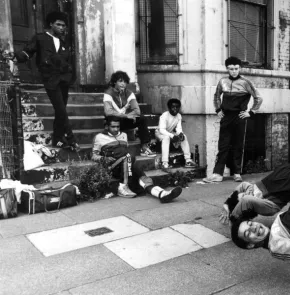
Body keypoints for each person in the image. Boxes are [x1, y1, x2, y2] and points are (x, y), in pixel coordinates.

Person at [3, 11, 79, 151]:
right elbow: (28, 52)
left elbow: (67, 62)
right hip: (50, 80)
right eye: (58, 24)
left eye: (63, 25)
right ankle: (71, 139)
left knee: (59, 110)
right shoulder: (40, 38)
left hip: (63, 81)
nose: (62, 28)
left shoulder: (64, 43)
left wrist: (69, 76)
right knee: (61, 109)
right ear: (51, 24)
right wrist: (15, 57)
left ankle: (57, 139)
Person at [92, 116, 182, 202]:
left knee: (142, 177)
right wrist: (103, 158)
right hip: (113, 167)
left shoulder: (123, 135)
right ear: (107, 127)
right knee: (130, 158)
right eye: (113, 127)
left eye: (118, 127)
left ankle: (161, 194)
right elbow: (94, 155)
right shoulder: (99, 137)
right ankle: (122, 187)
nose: (116, 129)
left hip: (127, 165)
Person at [204, 56, 263, 183]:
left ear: (240, 68)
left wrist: (251, 112)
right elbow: (216, 96)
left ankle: (237, 173)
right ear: (227, 69)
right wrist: (218, 110)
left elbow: (258, 98)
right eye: (231, 69)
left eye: (236, 68)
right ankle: (217, 174)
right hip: (226, 116)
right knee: (223, 145)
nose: (234, 71)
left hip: (239, 116)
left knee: (238, 144)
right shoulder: (222, 81)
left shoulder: (246, 82)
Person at [219, 163, 290, 225]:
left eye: (243, 194)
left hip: (287, 171)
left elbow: (242, 185)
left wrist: (227, 204)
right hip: (287, 187)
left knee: (289, 168)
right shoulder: (265, 206)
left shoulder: (249, 191)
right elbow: (246, 199)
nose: (245, 193)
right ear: (247, 208)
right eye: (243, 195)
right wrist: (233, 220)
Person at [231, 197, 290, 263]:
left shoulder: (273, 228)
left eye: (250, 223)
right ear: (250, 245)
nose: (253, 228)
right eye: (248, 233)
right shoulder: (274, 247)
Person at [103, 71, 155, 157]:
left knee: (141, 118)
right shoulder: (108, 93)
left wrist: (130, 116)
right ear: (115, 82)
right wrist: (126, 116)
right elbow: (108, 112)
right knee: (112, 117)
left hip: (124, 121)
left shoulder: (129, 93)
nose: (123, 84)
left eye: (124, 82)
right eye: (120, 81)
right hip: (113, 121)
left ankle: (144, 147)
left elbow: (137, 111)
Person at [155, 98, 197, 171]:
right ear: (169, 108)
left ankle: (188, 160)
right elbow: (161, 130)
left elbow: (178, 128)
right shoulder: (164, 116)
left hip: (170, 133)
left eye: (177, 107)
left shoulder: (179, 116)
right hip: (160, 133)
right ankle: (165, 163)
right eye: (173, 107)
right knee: (166, 138)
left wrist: (180, 134)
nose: (175, 109)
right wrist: (172, 136)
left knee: (184, 137)